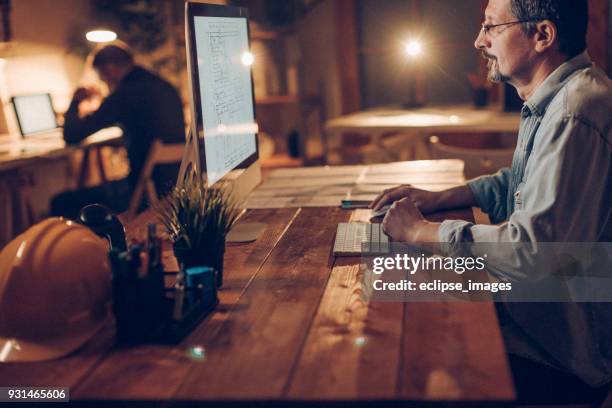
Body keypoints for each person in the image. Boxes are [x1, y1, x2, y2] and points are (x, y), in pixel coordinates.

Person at [371, 0, 612, 404]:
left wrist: (420, 230)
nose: (479, 40)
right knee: (401, 303)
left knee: (400, 359)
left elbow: (532, 252)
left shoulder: (575, 113)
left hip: (566, 355)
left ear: (543, 36)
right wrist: (442, 197)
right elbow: (519, 184)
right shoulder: (557, 98)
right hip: (539, 321)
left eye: (492, 28)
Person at [51, 41, 185, 219]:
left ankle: (93, 246)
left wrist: (76, 100)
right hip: (173, 186)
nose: (104, 83)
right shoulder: (162, 86)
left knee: (61, 201)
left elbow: (72, 135)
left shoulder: (126, 92)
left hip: (144, 190)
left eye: (102, 77)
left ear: (110, 68)